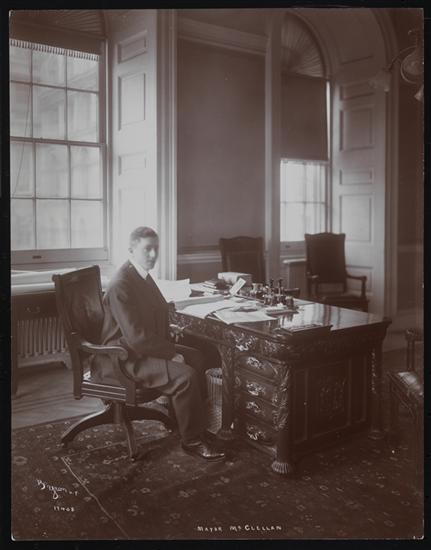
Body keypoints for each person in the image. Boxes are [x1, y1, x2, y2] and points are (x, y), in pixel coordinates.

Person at [92, 226, 225, 462]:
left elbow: (151, 313)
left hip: (137, 348)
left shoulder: (141, 275)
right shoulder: (121, 283)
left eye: (156, 248)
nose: (153, 254)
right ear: (131, 250)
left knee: (197, 357)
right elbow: (136, 337)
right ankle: (192, 441)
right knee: (185, 376)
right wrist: (170, 353)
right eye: (147, 249)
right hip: (121, 357)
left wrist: (168, 330)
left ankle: (184, 422)